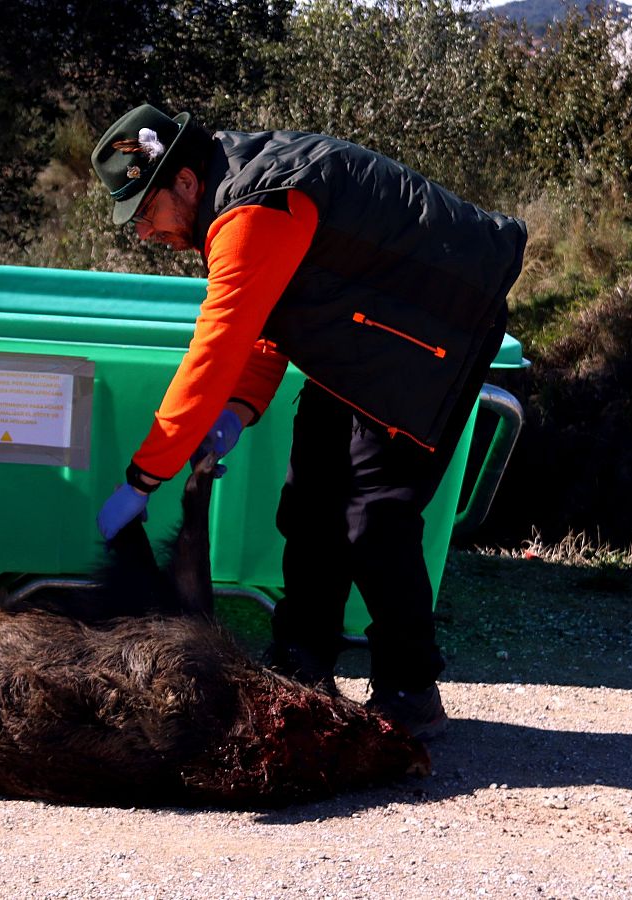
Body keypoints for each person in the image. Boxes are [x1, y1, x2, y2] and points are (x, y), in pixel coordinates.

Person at [89, 104, 525, 739]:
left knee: (373, 514)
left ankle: (409, 689)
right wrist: (237, 412)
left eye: (145, 213)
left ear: (183, 181)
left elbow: (213, 352)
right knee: (312, 495)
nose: (145, 234)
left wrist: (143, 478)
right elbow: (270, 326)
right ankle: (302, 665)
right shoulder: (240, 199)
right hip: (365, 334)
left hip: (432, 332)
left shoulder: (250, 209)